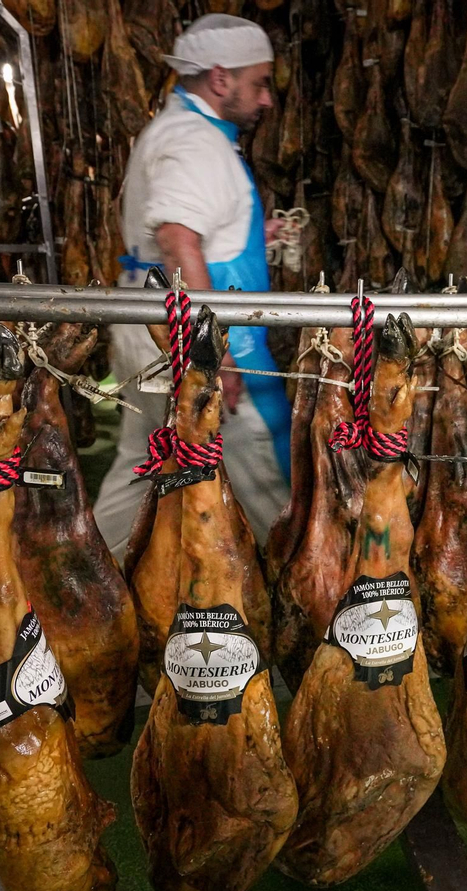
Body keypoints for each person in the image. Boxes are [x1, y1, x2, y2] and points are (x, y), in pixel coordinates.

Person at [93, 13, 292, 555]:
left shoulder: (176, 128)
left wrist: (249, 235)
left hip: (150, 326)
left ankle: (88, 576)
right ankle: (290, 583)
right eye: (260, 83)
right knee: (258, 471)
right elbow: (178, 239)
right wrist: (212, 354)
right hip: (189, 340)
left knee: (142, 468)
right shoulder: (197, 141)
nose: (267, 99)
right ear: (221, 78)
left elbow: (190, 229)